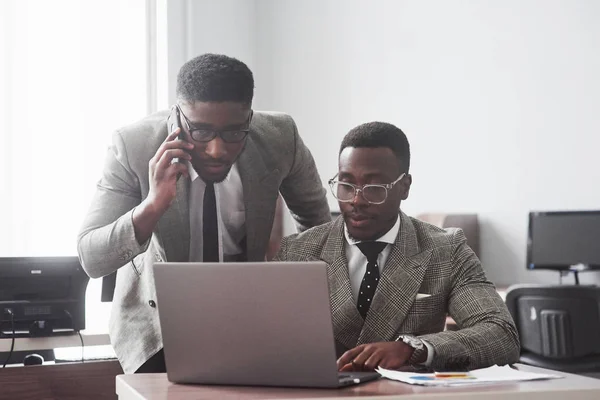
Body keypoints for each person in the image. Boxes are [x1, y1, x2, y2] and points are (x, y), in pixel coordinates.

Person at [77, 54, 331, 374]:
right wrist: (153, 205)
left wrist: (288, 296)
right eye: (200, 132)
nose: (216, 150)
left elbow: (321, 231)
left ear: (249, 119)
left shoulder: (281, 137)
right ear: (178, 115)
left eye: (234, 133)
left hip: (249, 316)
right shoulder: (134, 145)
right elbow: (92, 257)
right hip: (158, 325)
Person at [275, 122, 520, 372]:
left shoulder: (446, 250)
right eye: (346, 185)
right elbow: (267, 339)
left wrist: (415, 349)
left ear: (404, 187)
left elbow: (500, 334)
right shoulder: (296, 252)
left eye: (374, 188)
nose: (357, 200)